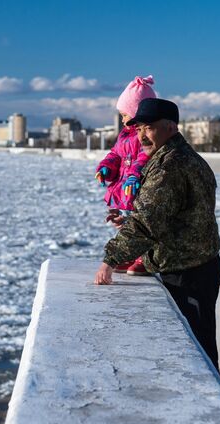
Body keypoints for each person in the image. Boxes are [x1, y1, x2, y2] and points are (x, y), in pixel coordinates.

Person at [94, 98, 220, 367]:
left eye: (149, 128)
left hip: (187, 273)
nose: (141, 136)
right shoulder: (180, 156)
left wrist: (110, 259)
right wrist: (130, 223)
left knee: (196, 353)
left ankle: (207, 406)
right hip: (194, 267)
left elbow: (148, 222)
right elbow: (168, 216)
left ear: (171, 127)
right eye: (138, 128)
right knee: (200, 344)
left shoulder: (169, 166)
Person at [94, 75, 157, 276]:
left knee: (138, 223)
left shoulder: (144, 134)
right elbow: (115, 154)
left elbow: (144, 156)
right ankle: (129, 256)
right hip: (124, 188)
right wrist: (106, 167)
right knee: (126, 222)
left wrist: (134, 176)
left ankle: (142, 259)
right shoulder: (124, 134)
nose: (122, 119)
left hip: (134, 187)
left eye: (124, 114)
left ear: (136, 111)